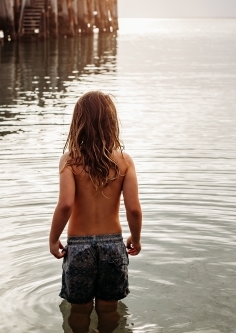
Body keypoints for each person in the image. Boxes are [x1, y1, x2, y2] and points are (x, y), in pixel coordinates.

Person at [49, 91, 143, 332]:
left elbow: (66, 205)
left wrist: (53, 240)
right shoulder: (124, 161)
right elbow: (133, 209)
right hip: (112, 244)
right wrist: (136, 238)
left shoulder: (70, 160)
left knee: (79, 309)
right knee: (109, 308)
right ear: (111, 123)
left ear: (77, 123)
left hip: (79, 246)